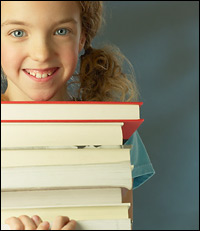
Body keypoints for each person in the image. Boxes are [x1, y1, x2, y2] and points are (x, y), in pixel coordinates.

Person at [1, 1, 155, 230]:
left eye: (61, 31)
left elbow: (119, 221)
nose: (41, 53)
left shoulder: (113, 132)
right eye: (18, 32)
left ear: (82, 38)